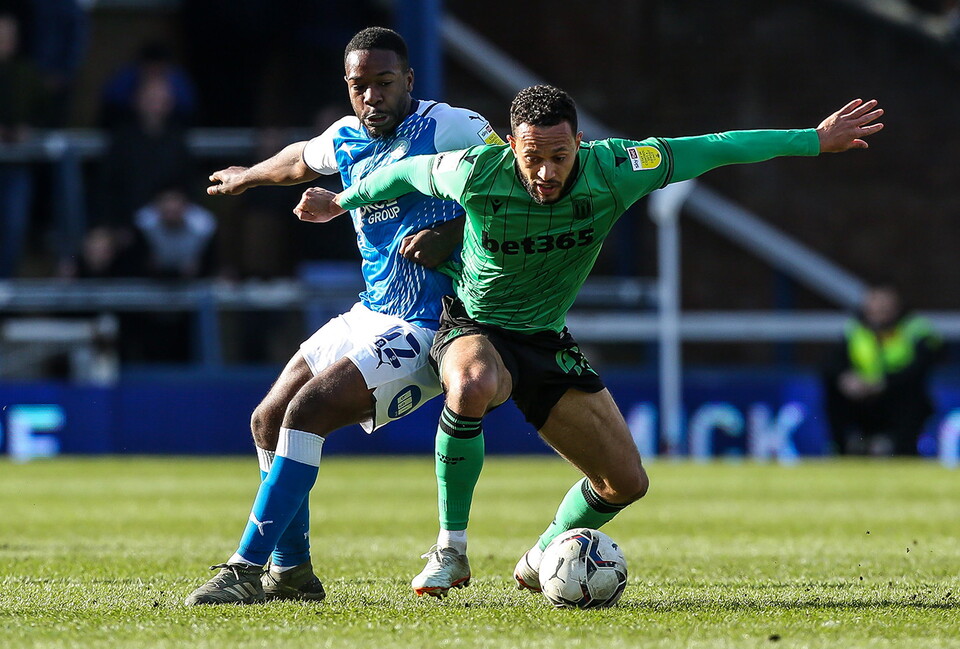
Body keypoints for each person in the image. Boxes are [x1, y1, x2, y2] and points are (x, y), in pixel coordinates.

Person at [296, 84, 885, 594]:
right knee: (471, 383)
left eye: (559, 155)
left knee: (625, 483)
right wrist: (341, 200)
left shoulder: (617, 169)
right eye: (533, 158)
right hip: (473, 325)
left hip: (546, 339)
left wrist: (813, 138)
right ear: (511, 146)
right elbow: (401, 171)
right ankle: (450, 550)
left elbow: (715, 147)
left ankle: (542, 557)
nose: (547, 172)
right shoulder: (473, 170)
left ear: (578, 142)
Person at [184, 27, 503, 605]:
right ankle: (294, 572)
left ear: (408, 80)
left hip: (433, 325)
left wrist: (451, 232)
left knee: (307, 412)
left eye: (384, 84)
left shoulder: (451, 126)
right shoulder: (349, 136)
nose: (371, 98)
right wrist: (247, 176)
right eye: (360, 87)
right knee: (267, 419)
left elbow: (515, 187)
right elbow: (299, 160)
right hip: (371, 313)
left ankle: (244, 567)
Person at [824, 284, 944, 455]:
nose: (880, 309)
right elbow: (831, 363)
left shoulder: (915, 328)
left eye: (885, 304)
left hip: (897, 396)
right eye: (875, 304)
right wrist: (846, 378)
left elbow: (921, 366)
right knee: (834, 391)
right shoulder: (855, 329)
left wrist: (884, 383)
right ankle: (843, 448)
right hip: (863, 398)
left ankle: (899, 448)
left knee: (912, 397)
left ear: (897, 305)